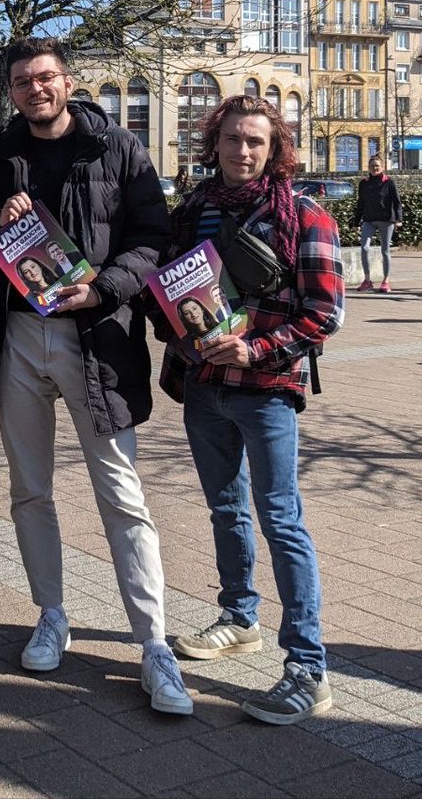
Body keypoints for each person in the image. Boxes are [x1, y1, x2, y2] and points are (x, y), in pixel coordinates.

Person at [0, 37, 191, 715]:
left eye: (46, 77)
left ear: (67, 81)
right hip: (19, 337)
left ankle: (154, 645)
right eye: (24, 82)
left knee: (122, 495)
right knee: (29, 488)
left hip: (97, 338)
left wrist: (104, 289)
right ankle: (52, 613)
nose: (37, 89)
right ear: (12, 92)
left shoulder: (118, 148)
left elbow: (153, 239)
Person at [159, 94, 344, 726]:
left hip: (267, 389)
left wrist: (257, 347)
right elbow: (170, 294)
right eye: (233, 139)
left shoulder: (305, 213)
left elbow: (324, 313)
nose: (242, 151)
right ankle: (239, 619)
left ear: (275, 148)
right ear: (215, 143)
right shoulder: (193, 211)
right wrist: (180, 334)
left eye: (255, 142)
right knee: (225, 508)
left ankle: (307, 668)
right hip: (204, 386)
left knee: (282, 520)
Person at [352, 155, 402, 293]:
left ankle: (385, 281)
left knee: (385, 250)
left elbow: (396, 201)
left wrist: (399, 219)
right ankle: (367, 280)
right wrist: (356, 222)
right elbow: (360, 202)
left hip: (386, 220)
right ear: (368, 167)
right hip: (369, 219)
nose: (374, 168)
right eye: (372, 166)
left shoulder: (389, 182)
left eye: (377, 166)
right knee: (364, 248)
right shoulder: (364, 183)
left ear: (382, 167)